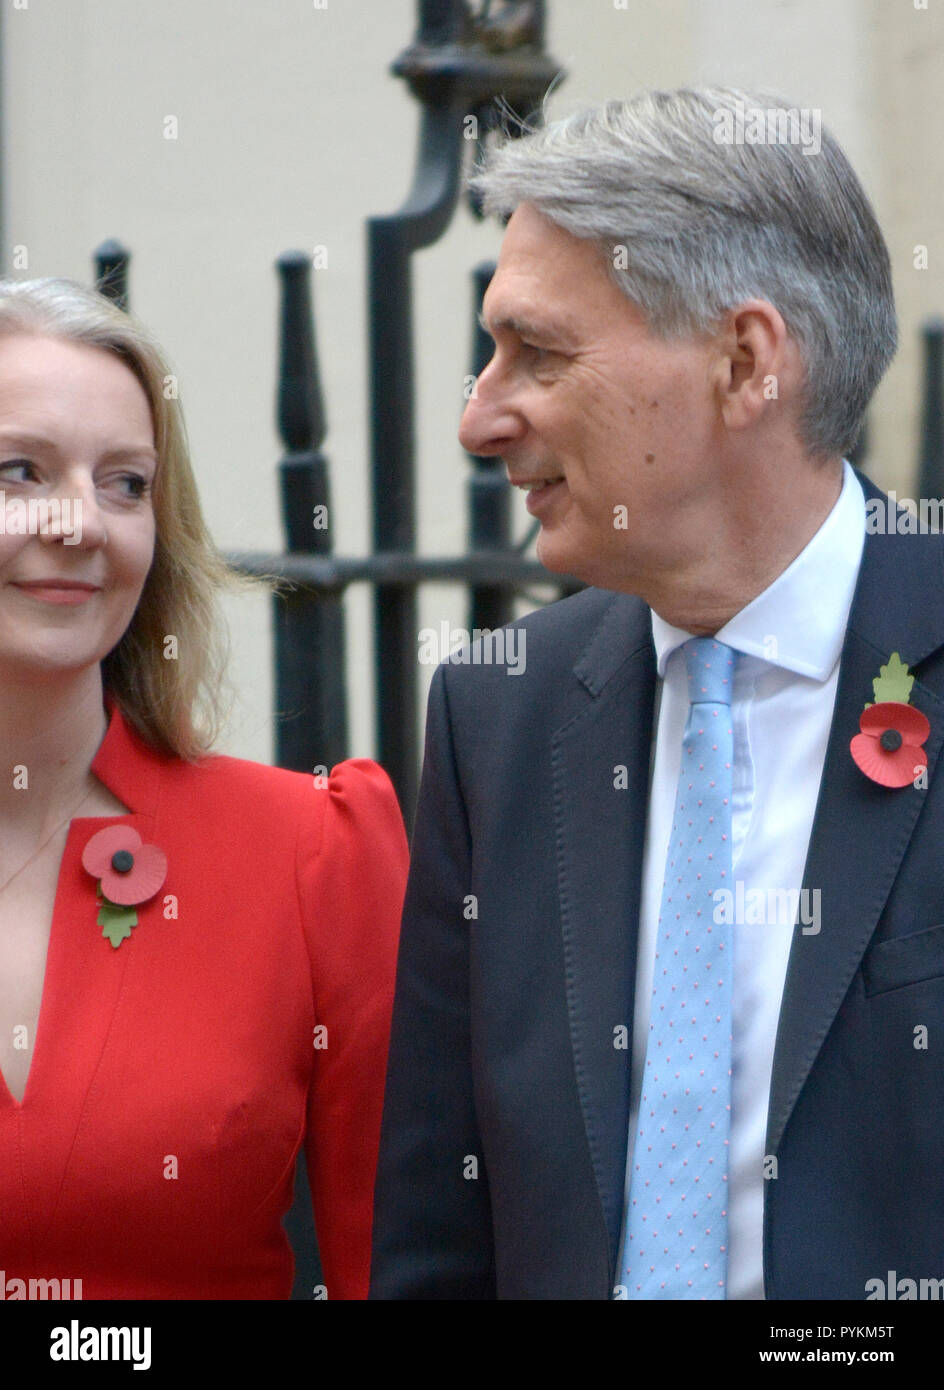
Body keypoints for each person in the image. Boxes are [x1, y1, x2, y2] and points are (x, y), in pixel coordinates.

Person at [369, 86, 944, 1301]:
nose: (480, 418)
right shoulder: (497, 716)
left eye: (539, 351)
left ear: (743, 362)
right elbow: (440, 1229)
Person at [0, 277, 408, 1300]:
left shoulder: (308, 850)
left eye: (125, 483)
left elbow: (399, 1264)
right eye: (21, 470)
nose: (80, 521)